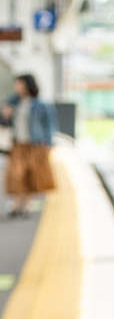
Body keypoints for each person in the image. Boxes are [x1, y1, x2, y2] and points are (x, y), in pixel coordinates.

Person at [2, 73, 58, 216]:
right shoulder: (12, 103)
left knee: (30, 176)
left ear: (27, 85)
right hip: (17, 144)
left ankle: (26, 206)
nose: (17, 87)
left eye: (19, 84)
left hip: (34, 145)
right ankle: (15, 204)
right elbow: (4, 123)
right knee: (15, 175)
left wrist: (49, 142)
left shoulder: (41, 104)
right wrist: (5, 114)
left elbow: (50, 124)